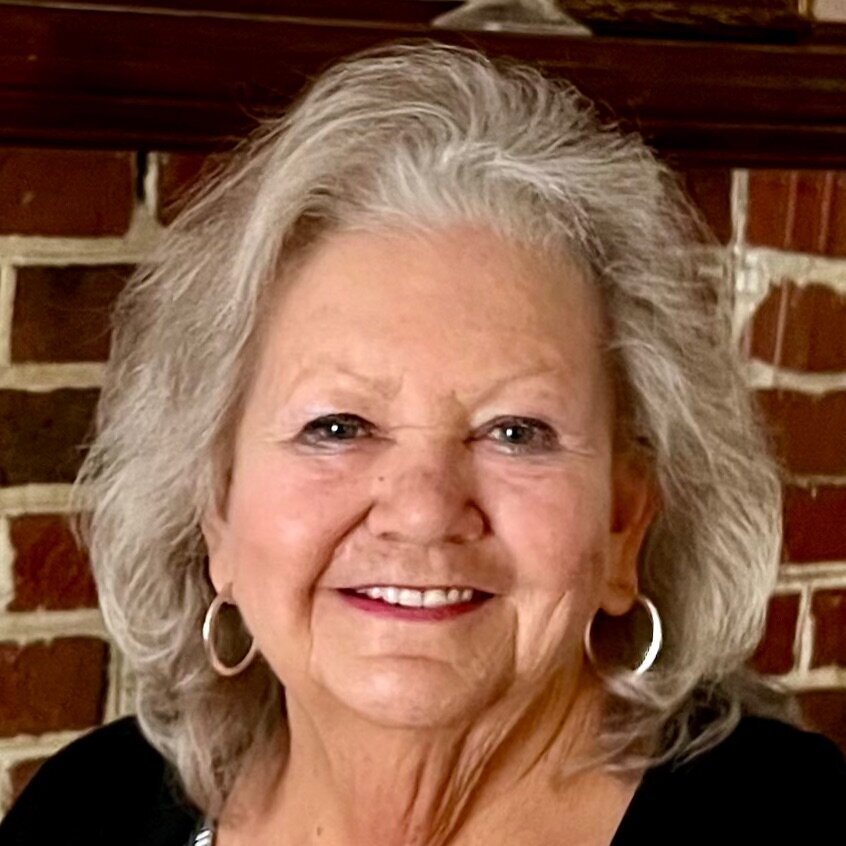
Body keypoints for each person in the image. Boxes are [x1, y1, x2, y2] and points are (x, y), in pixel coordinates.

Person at [1, 41, 843, 846]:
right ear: (216, 509)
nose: (423, 511)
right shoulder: (88, 813)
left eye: (515, 432)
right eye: (338, 427)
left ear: (625, 523)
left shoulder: (795, 825)